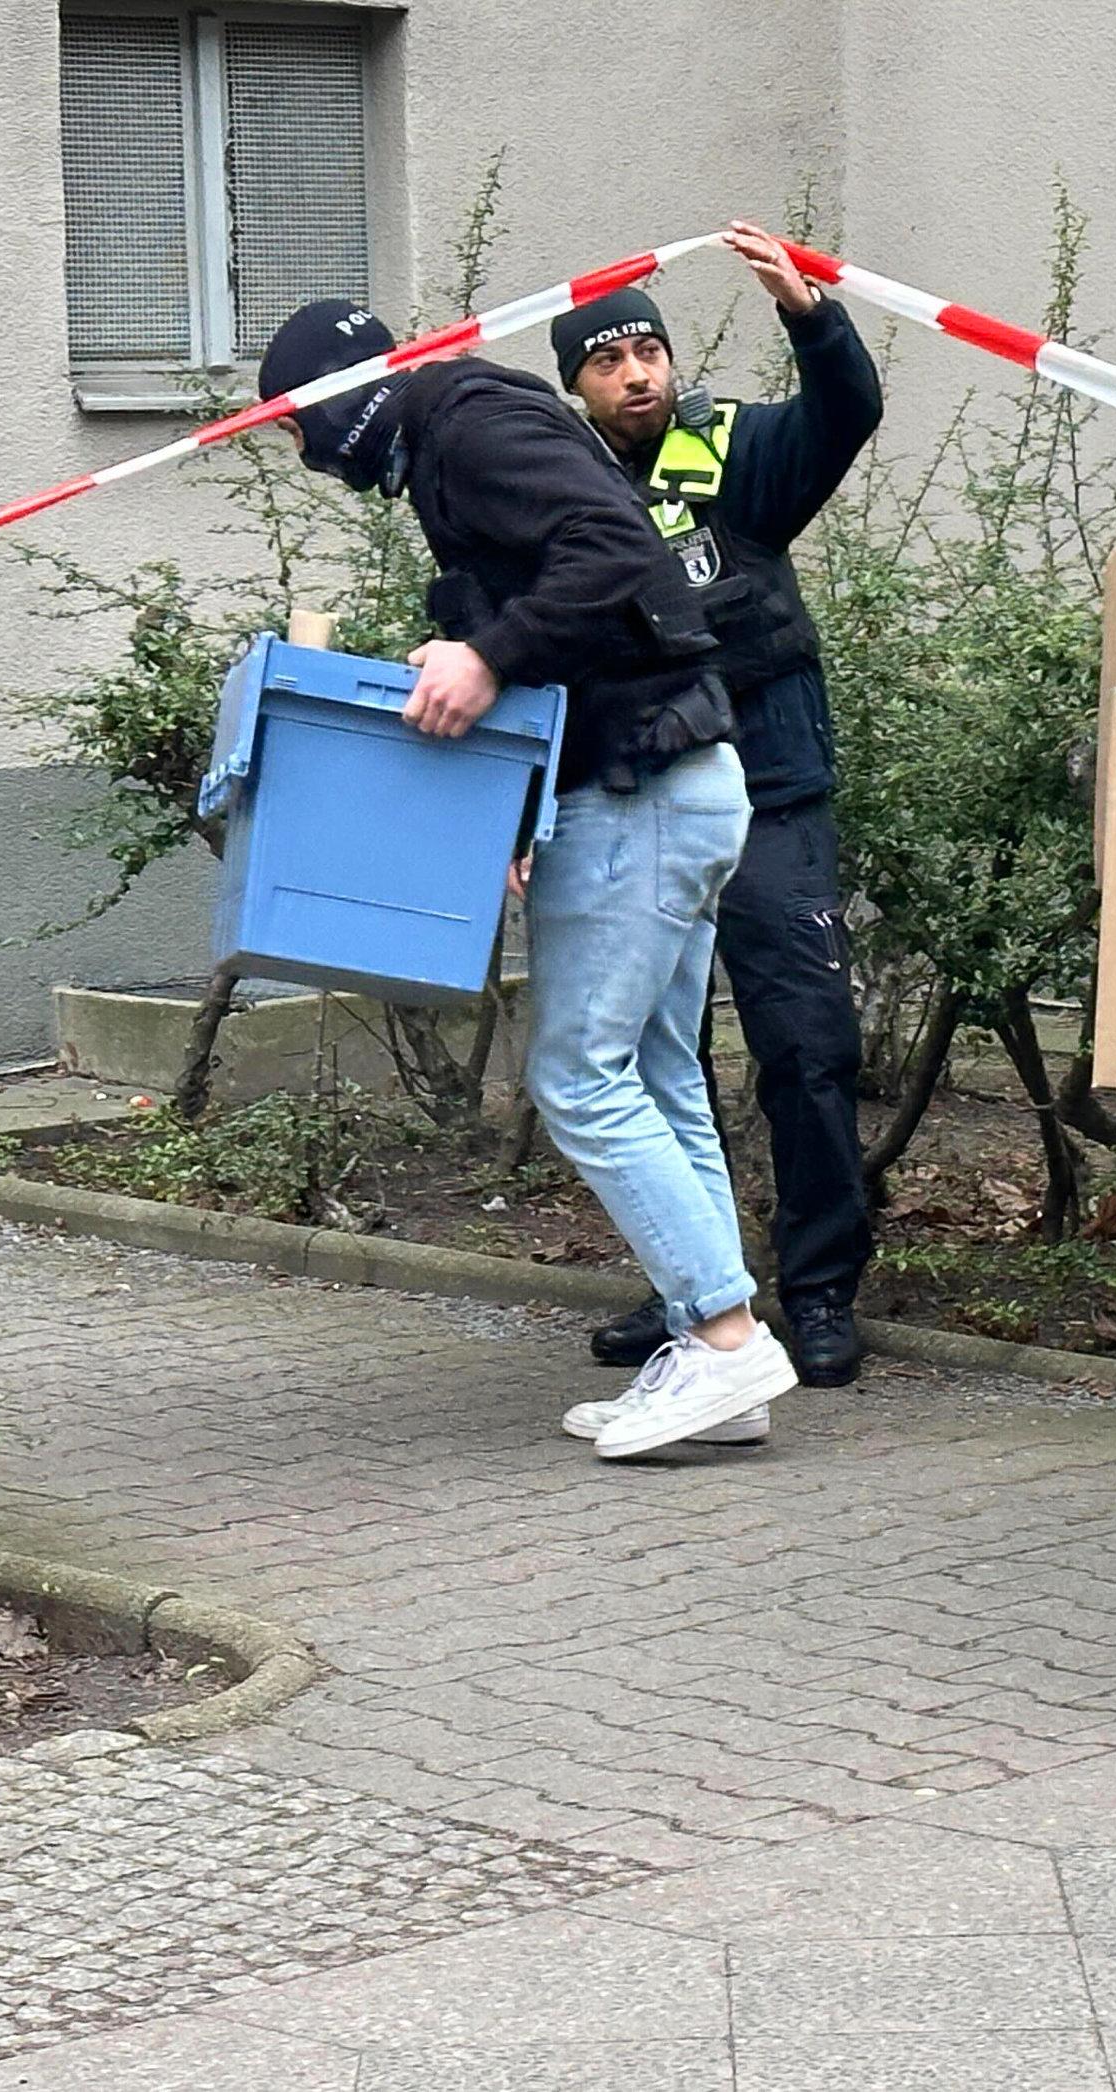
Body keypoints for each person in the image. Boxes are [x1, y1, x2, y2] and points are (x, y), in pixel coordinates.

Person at [256, 290, 796, 1462]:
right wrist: (510, 765)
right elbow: (582, 601)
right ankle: (721, 1363)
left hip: (643, 791)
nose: (303, 457)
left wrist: (486, 656)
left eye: (295, 429)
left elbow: (615, 553)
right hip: (666, 782)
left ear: (335, 406)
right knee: (658, 1074)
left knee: (578, 1078)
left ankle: (726, 1339)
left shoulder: (468, 424)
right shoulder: (463, 430)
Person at [550, 223, 885, 1394]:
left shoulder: (729, 451)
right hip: (639, 801)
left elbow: (846, 414)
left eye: (648, 350)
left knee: (806, 1042)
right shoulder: (565, 484)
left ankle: (823, 1289)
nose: (636, 373)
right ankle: (692, 1284)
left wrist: (811, 317)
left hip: (771, 790)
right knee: (655, 1059)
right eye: (607, 361)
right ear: (577, 386)